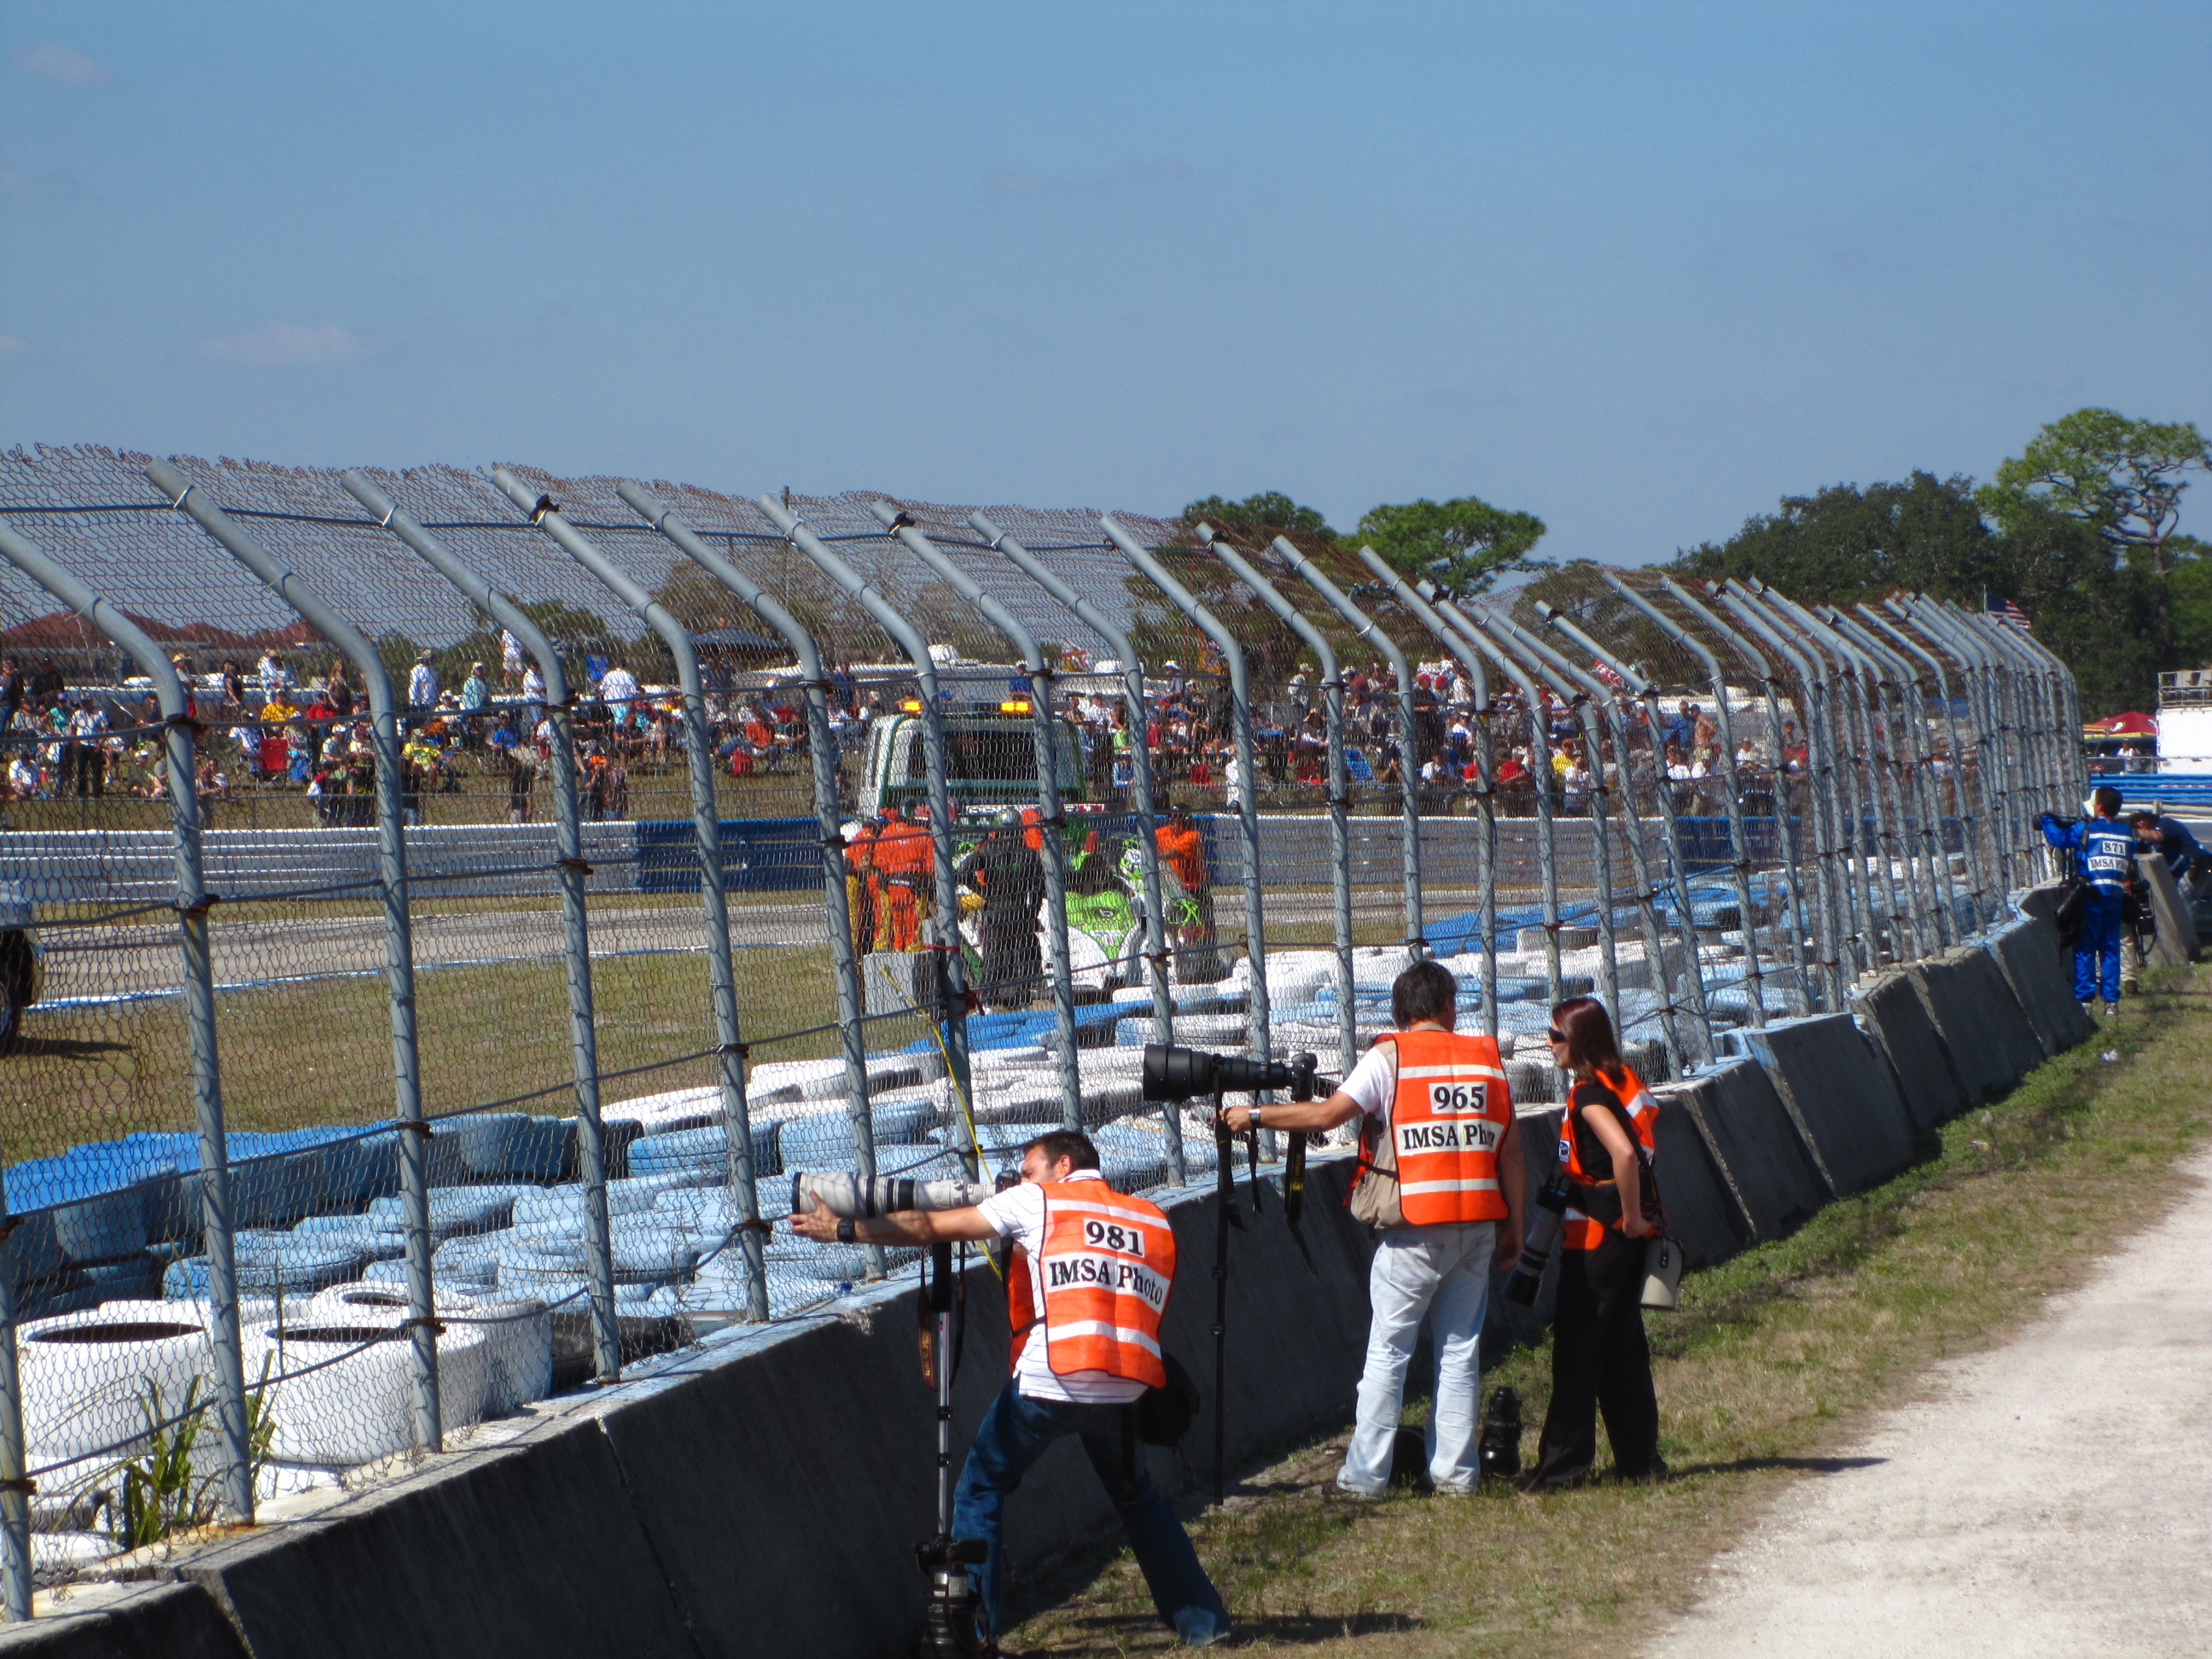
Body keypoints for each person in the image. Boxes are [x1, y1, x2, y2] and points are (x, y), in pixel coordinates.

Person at [789, 1131, 1231, 1650]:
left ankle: (975, 1635)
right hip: (1125, 1385)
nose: (1018, 1181)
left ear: (1062, 1165)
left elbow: (929, 1226)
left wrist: (843, 1229)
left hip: (1053, 1376)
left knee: (980, 1489)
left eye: (1026, 1171)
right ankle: (1205, 1624)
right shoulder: (1149, 1217)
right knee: (1139, 1498)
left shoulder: (1038, 1200)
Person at [1223, 958, 1524, 1496]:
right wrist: (1515, 1225)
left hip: (1413, 1229)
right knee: (1459, 1353)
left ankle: (1365, 1478)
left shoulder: (1391, 1057)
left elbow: (1326, 1116)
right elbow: (1513, 1152)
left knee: (1389, 1353)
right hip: (1478, 1222)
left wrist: (1257, 1115)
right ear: (1447, 1006)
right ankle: (1456, 1476)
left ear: (1402, 1010)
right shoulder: (1486, 1058)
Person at [1523, 995, 1667, 1490]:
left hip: (1597, 1240)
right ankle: (1640, 1461)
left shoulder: (1587, 1094)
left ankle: (1562, 1469)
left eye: (1556, 1036)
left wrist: (1630, 1217)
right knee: (1623, 1349)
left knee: (1577, 1352)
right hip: (1623, 1241)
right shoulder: (1620, 1079)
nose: (1549, 1044)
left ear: (1580, 1039)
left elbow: (1623, 1154)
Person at [2040, 787, 2139, 1017]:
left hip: (2090, 895)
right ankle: (2111, 1003)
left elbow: (2058, 838)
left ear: (2100, 806)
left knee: (2085, 946)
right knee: (2110, 948)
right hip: (2115, 897)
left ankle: (2085, 999)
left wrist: (2046, 820)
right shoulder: (2127, 833)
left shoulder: (2086, 829)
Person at [2125, 810, 2204, 991]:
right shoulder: (2145, 842)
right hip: (2180, 874)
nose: (2139, 825)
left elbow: (2157, 836)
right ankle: (2188, 950)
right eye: (2135, 823)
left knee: (2185, 908)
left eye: (2140, 821)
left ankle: (2190, 952)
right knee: (2180, 908)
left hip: (2196, 867)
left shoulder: (2165, 824)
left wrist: (2130, 830)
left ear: (2148, 818)